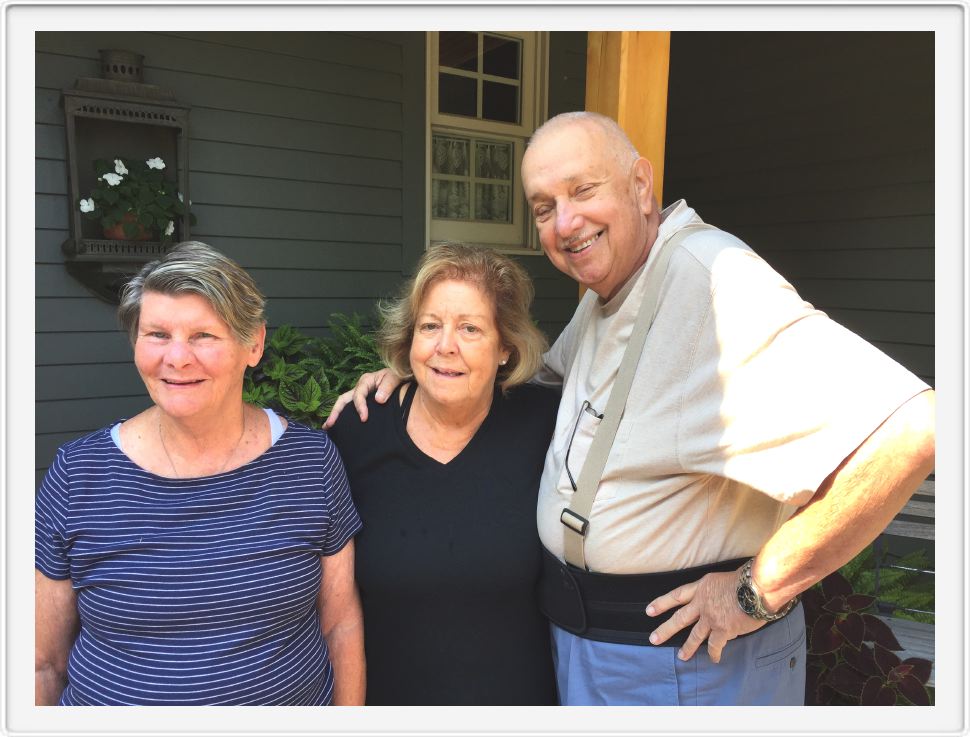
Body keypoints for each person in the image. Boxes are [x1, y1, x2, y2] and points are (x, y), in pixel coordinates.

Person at [325, 112, 936, 706]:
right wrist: (411, 372)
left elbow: (915, 428)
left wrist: (758, 590)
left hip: (689, 663)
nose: (566, 222)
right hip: (602, 654)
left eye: (583, 190)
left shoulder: (713, 283)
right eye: (544, 207)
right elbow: (513, 373)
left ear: (641, 185)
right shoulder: (610, 298)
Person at [35, 241, 365, 706]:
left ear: (254, 344)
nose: (177, 358)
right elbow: (42, 662)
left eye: (203, 336)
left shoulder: (309, 462)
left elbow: (340, 623)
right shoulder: (78, 474)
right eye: (157, 334)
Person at [326, 243, 559, 705]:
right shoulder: (359, 430)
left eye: (470, 329)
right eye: (430, 326)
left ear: (505, 349)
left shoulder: (548, 425)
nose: (444, 346)